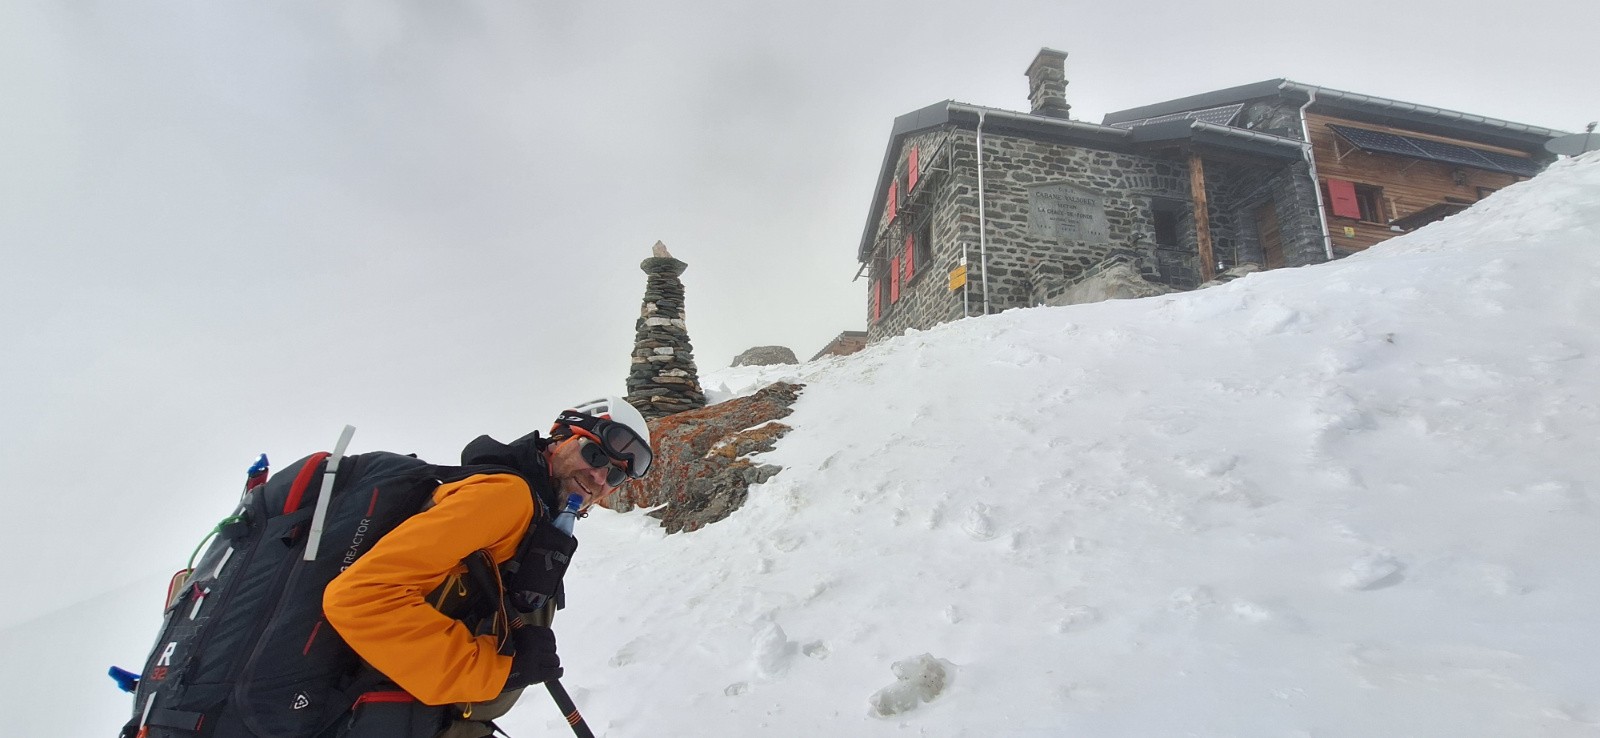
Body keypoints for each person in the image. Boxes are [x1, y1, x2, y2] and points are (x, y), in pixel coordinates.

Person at [321, 396, 654, 737]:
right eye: (594, 454)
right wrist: (497, 672)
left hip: (423, 718)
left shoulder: (537, 517)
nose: (599, 477)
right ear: (559, 440)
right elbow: (358, 598)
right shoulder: (505, 498)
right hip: (388, 716)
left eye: (615, 475)